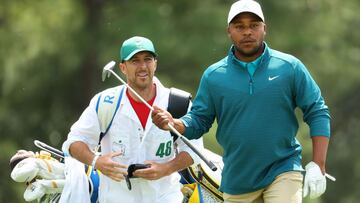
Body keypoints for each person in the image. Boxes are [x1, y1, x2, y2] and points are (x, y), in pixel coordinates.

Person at [151, 0, 332, 202]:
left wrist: (318, 163)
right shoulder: (214, 76)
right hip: (238, 179)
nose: (247, 32)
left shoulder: (289, 67)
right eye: (240, 26)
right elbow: (200, 120)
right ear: (229, 31)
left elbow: (317, 111)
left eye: (254, 25)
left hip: (283, 168)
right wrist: (177, 124)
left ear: (265, 28)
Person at [62, 36, 202, 203]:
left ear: (155, 63)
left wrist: (165, 169)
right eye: (135, 61)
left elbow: (195, 150)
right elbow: (74, 142)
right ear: (123, 67)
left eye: (148, 59)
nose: (143, 66)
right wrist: (96, 161)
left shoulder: (178, 102)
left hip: (165, 197)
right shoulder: (106, 102)